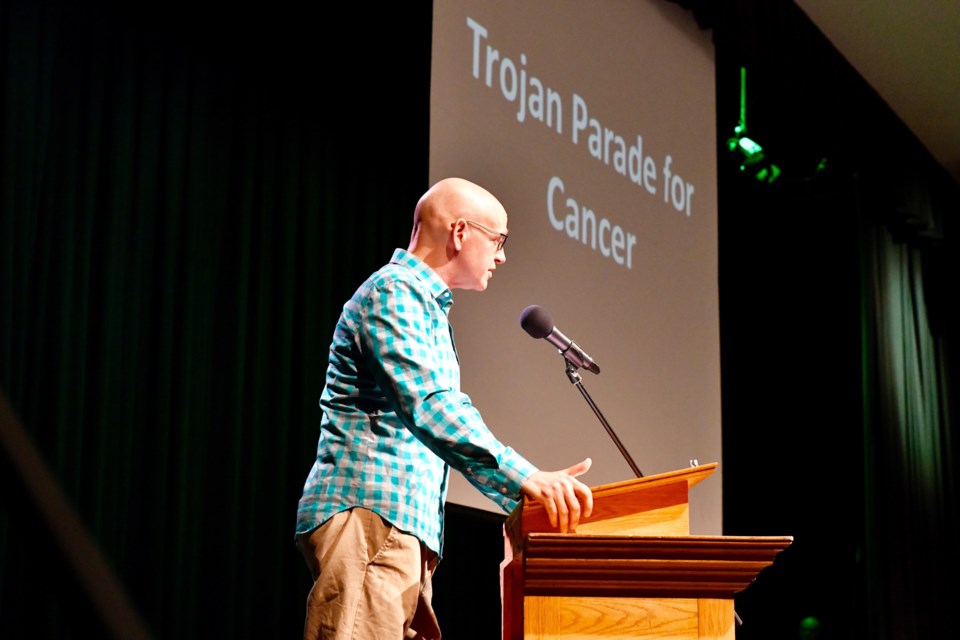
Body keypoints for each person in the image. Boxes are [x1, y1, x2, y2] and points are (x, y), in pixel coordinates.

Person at [295, 177, 594, 639]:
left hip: (398, 532)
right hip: (372, 520)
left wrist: (524, 497)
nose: (502, 256)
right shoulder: (394, 292)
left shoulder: (423, 306)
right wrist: (527, 478)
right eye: (499, 240)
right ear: (460, 233)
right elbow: (432, 406)